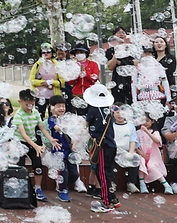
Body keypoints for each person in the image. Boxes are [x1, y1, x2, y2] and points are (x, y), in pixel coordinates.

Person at [13, 89, 60, 202]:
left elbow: (42, 128)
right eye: (27, 103)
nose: (30, 105)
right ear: (20, 102)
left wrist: (51, 139)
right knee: (20, 166)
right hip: (19, 142)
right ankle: (21, 189)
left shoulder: (35, 112)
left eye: (32, 103)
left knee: (38, 165)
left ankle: (38, 189)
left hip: (33, 141)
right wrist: (36, 146)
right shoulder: (18, 115)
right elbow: (23, 135)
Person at [84, 83, 119, 211]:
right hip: (111, 145)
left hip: (102, 146)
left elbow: (85, 124)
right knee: (108, 173)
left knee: (102, 173)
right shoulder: (109, 109)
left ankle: (106, 202)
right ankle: (113, 198)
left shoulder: (93, 110)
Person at [46, 95, 81, 201]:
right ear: (52, 108)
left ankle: (62, 184)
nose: (62, 108)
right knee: (63, 172)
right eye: (58, 106)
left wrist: (74, 143)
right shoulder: (52, 119)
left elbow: (75, 133)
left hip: (69, 150)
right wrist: (63, 125)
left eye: (63, 106)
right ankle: (62, 190)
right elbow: (56, 128)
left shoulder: (68, 120)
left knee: (75, 174)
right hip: (58, 150)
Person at [136, 117, 173, 194]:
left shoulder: (155, 132)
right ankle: (142, 184)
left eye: (147, 121)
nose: (145, 123)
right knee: (140, 162)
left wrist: (147, 132)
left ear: (152, 121)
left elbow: (157, 141)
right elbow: (135, 145)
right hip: (142, 155)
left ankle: (166, 185)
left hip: (153, 156)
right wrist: (142, 154)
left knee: (151, 166)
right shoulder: (137, 132)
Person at [29, 44, 64, 118]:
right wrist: (43, 83)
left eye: (48, 52)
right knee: (39, 117)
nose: (45, 54)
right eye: (43, 52)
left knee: (54, 117)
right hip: (40, 95)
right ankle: (40, 129)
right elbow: (32, 80)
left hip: (53, 96)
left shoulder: (57, 65)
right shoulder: (37, 65)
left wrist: (52, 82)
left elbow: (61, 82)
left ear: (52, 53)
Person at [111, 106, 139, 194]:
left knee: (135, 158)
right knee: (109, 159)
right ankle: (112, 183)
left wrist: (130, 153)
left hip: (126, 151)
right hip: (114, 151)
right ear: (113, 113)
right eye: (117, 112)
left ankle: (131, 183)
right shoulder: (111, 126)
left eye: (122, 113)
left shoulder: (130, 126)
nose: (120, 115)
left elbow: (133, 141)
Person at [106, 29, 135, 106]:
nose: (121, 34)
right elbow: (110, 67)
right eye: (118, 33)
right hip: (117, 81)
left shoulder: (131, 49)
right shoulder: (111, 50)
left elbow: (136, 63)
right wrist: (116, 55)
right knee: (118, 105)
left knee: (132, 104)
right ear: (114, 36)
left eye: (123, 32)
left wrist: (120, 62)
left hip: (132, 81)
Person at [66, 45, 99, 111]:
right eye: (77, 53)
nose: (79, 54)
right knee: (79, 115)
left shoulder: (93, 64)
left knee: (90, 114)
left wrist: (85, 73)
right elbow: (70, 82)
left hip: (90, 94)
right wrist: (78, 73)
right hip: (77, 95)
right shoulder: (73, 66)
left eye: (81, 52)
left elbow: (94, 78)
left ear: (86, 53)